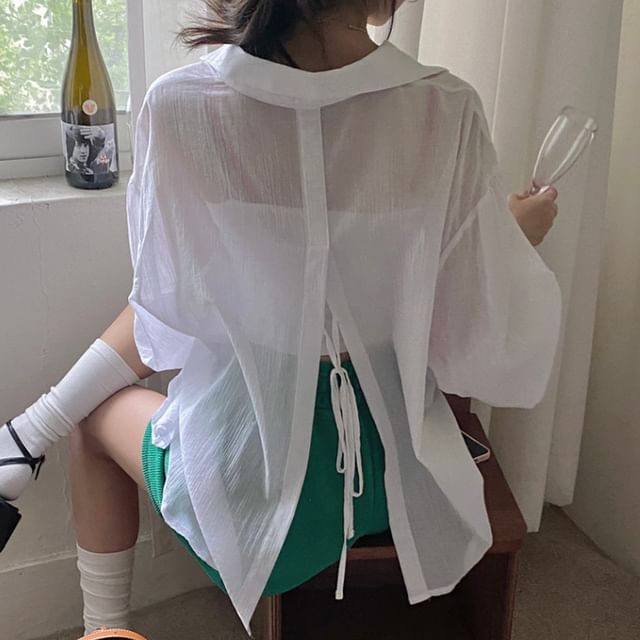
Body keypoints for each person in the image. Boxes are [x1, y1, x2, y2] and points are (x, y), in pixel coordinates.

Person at [0, 0, 562, 636]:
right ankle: (21, 440)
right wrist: (510, 241)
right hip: (394, 474)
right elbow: (464, 337)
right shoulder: (446, 105)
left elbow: (170, 316)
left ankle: (102, 626)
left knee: (94, 419)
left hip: (255, 495)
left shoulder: (180, 104)